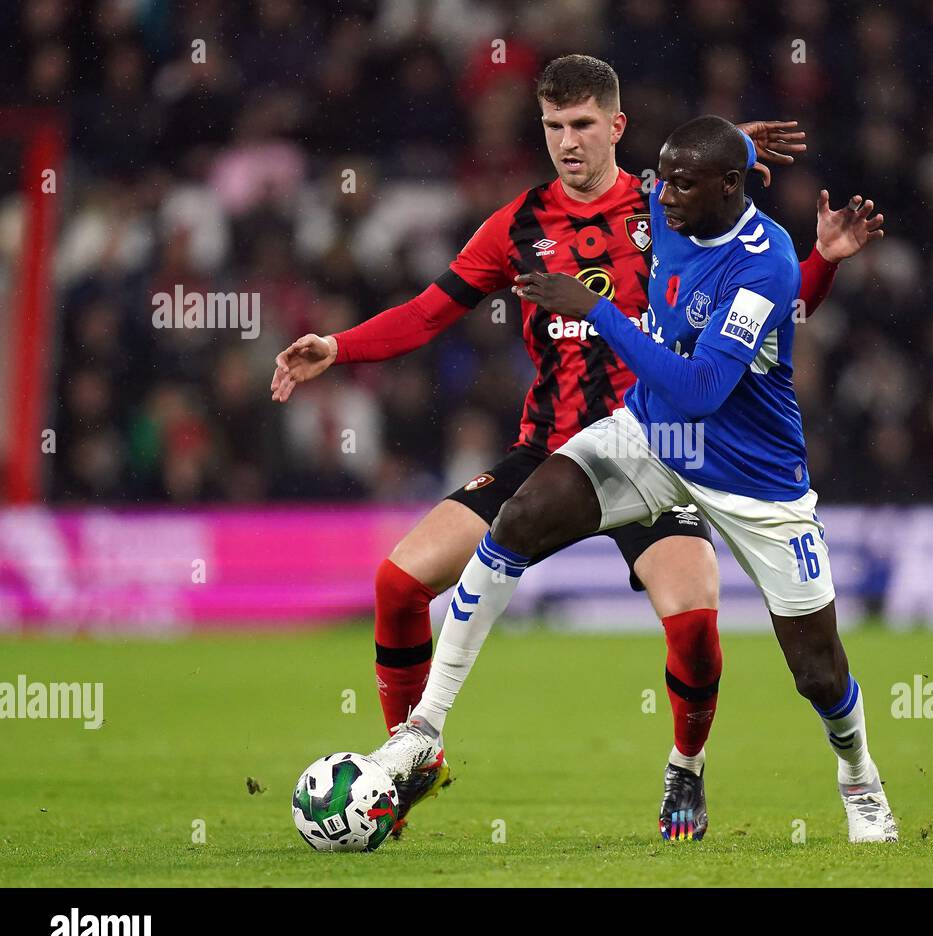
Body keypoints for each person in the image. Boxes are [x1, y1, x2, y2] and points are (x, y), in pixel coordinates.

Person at [274, 55, 883, 839]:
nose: (567, 141)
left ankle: (687, 770)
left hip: (672, 445)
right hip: (556, 449)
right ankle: (412, 758)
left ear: (616, 128)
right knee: (398, 583)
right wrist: (341, 346)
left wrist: (757, 186)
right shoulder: (517, 228)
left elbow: (769, 310)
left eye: (583, 125)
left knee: (697, 627)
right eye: (554, 126)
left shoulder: (668, 204)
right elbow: (429, 312)